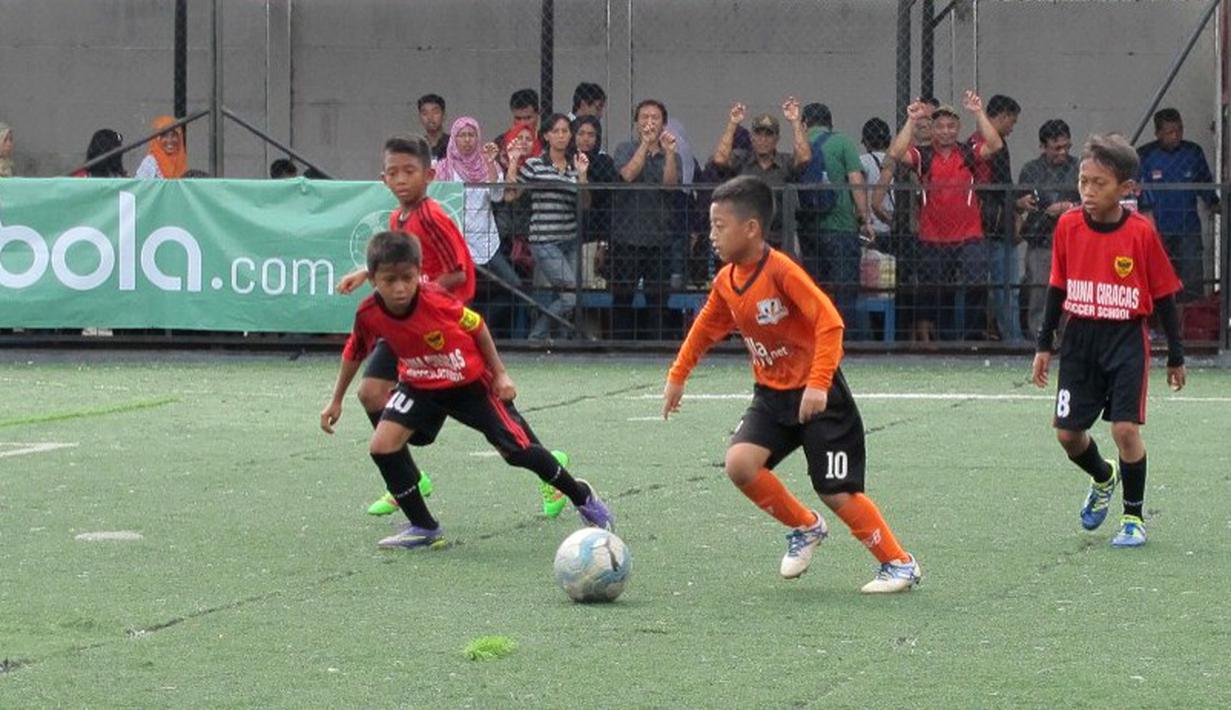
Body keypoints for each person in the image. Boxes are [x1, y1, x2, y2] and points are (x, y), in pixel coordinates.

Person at [663, 175, 921, 593]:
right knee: (740, 464)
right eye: (711, 226)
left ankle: (899, 563)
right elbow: (705, 328)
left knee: (835, 491)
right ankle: (805, 526)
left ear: (751, 228)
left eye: (719, 226)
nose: (711, 235)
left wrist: (818, 384)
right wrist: (678, 376)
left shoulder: (782, 271)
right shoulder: (727, 280)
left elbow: (830, 323)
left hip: (820, 398)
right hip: (772, 397)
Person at [320, 231, 614, 548]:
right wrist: (336, 400)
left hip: (470, 384)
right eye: (390, 280)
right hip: (419, 384)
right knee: (382, 446)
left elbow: (477, 326)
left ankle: (581, 496)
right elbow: (354, 351)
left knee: (517, 452)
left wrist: (500, 374)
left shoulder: (435, 300)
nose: (400, 287)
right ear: (373, 280)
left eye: (408, 278)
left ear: (419, 273)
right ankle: (424, 528)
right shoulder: (368, 313)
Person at [1031, 134, 1187, 548]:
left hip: (1125, 339)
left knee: (1125, 430)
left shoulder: (1141, 232)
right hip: (1079, 340)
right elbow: (1057, 287)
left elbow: (1165, 295)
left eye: (1099, 183)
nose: (1088, 191)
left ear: (1125, 188)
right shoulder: (1067, 226)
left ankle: (1133, 518)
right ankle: (1103, 476)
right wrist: (1044, 345)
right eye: (1083, 181)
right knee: (1068, 435)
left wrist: (1176, 354)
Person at [335, 136, 476, 518]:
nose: (400, 180)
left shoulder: (432, 217)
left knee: (493, 421)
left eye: (408, 171)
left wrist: (421, 294)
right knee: (370, 394)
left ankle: (551, 471)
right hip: (408, 323)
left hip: (441, 327)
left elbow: (458, 274)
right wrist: (365, 273)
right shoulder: (398, 219)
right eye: (393, 173)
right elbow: (406, 265)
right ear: (383, 179)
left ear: (428, 175)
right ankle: (407, 480)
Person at [886, 93, 1003, 341]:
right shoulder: (924, 155)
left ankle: (972, 338)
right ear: (932, 129)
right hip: (933, 235)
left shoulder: (968, 152)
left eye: (951, 126)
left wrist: (978, 112)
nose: (946, 131)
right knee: (935, 291)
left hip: (969, 233)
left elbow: (995, 145)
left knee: (976, 282)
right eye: (940, 126)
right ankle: (942, 339)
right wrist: (911, 119)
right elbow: (896, 152)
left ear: (958, 128)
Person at [507, 114, 590, 342]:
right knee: (571, 295)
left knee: (567, 294)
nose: (561, 136)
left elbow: (585, 203)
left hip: (570, 237)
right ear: (546, 136)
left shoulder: (575, 165)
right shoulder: (535, 165)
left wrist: (583, 175)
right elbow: (511, 195)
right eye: (556, 131)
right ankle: (537, 335)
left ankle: (560, 340)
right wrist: (513, 162)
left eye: (565, 131)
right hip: (544, 239)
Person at [797, 103, 876, 334]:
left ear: (805, 124)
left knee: (814, 289)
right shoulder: (843, 142)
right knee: (845, 290)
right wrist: (865, 218)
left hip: (810, 228)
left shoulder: (801, 146)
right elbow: (856, 181)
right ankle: (844, 339)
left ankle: (816, 337)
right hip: (841, 227)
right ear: (830, 123)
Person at [434, 116, 522, 310]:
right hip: (456, 241)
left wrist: (490, 164)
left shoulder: (488, 164)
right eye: (462, 135)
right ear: (454, 138)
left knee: (514, 286)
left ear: (478, 137)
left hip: (485, 238)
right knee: (462, 293)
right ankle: (469, 325)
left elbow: (497, 197)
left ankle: (483, 320)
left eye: (471, 135)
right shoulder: (443, 168)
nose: (467, 140)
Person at [610, 99, 680, 339]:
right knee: (622, 298)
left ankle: (656, 346)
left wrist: (669, 154)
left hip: (659, 238)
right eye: (644, 117)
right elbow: (628, 174)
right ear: (636, 122)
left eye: (655, 118)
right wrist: (645, 145)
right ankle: (618, 347)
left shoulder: (671, 153)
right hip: (626, 237)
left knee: (658, 300)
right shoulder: (624, 148)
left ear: (663, 124)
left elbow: (670, 186)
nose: (649, 122)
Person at [1136, 108, 1219, 302]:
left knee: (1192, 281)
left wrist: (1216, 205)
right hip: (1156, 229)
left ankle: (1192, 318)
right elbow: (1137, 193)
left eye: (1179, 130)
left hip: (1187, 228)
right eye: (1170, 132)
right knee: (1157, 282)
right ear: (1158, 133)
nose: (1176, 136)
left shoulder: (1193, 153)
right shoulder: (1145, 155)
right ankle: (1160, 319)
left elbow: (1206, 186)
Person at [708, 98, 811, 246]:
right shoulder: (742, 160)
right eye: (758, 134)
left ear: (777, 139)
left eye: (768, 135)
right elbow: (720, 159)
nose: (763, 139)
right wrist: (733, 123)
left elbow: (804, 157)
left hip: (778, 238)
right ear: (751, 138)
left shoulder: (785, 162)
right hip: (745, 238)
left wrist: (795, 121)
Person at [1018, 119, 1080, 337]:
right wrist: (1024, 203)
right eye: (1056, 148)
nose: (1062, 152)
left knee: (1072, 291)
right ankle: (1040, 336)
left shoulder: (1079, 167)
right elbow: (1019, 202)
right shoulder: (1031, 169)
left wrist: (1068, 207)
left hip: (1073, 241)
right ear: (1043, 147)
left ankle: (1068, 336)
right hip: (1041, 238)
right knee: (1039, 290)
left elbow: (1091, 202)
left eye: (1066, 147)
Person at [972, 94, 1024, 342]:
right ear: (1002, 116)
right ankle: (1013, 338)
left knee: (981, 287)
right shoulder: (994, 145)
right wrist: (1016, 206)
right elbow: (1000, 186)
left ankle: (985, 334)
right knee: (1007, 286)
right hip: (996, 223)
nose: (1012, 128)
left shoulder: (973, 143)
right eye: (1012, 122)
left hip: (979, 224)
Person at [859, 117, 894, 239]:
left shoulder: (862, 161)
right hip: (892, 225)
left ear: (866, 142)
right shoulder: (896, 162)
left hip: (871, 227)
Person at [417, 94, 448, 161]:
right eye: (425, 113)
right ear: (420, 118)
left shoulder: (454, 144)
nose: (430, 117)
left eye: (435, 112)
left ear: (444, 116)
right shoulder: (416, 147)